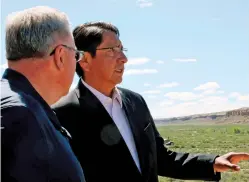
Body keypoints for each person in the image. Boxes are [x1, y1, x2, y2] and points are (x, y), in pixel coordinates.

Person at [51, 21, 249, 182]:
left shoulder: (135, 102)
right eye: (112, 50)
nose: (124, 58)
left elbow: (160, 158)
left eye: (122, 49)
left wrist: (211, 162)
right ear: (84, 60)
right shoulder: (62, 114)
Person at [1, 6, 86, 182]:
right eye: (75, 54)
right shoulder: (20, 115)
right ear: (60, 56)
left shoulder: (22, 108)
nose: (76, 61)